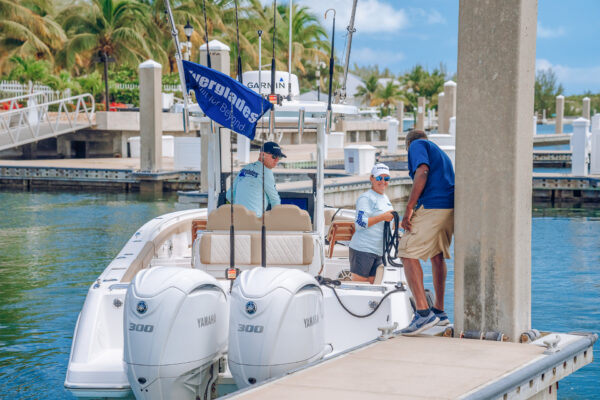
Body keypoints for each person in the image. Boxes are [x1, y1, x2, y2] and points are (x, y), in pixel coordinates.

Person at [398, 130, 455, 336]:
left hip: (432, 206)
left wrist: (409, 207)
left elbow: (422, 171)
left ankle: (423, 313)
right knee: (436, 255)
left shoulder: (417, 146)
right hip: (449, 208)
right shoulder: (440, 153)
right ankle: (439, 311)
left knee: (406, 251)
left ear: (408, 145)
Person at [348, 163, 396, 284]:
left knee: (373, 287)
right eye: (379, 178)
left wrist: (402, 224)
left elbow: (389, 222)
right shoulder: (366, 198)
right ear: (371, 178)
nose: (383, 181)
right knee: (360, 287)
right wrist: (383, 217)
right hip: (363, 250)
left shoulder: (385, 198)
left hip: (379, 251)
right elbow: (359, 223)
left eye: (386, 178)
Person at [226, 141, 285, 217]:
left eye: (279, 157)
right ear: (262, 155)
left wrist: (242, 211)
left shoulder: (245, 169)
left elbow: (229, 195)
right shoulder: (266, 172)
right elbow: (275, 200)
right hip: (254, 222)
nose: (276, 160)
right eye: (274, 156)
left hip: (237, 220)